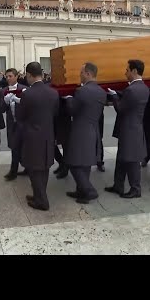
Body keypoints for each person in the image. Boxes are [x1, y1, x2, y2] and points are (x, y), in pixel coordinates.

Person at [17, 62, 59, 211]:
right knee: (44, 168)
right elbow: (55, 114)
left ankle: (42, 201)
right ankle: (38, 195)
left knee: (34, 170)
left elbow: (20, 117)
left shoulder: (27, 94)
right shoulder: (53, 93)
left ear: (29, 75)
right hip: (48, 135)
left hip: (32, 137)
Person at [63, 62, 106, 204]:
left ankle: (89, 191)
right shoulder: (101, 91)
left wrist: (69, 98)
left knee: (73, 162)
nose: (79, 76)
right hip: (93, 130)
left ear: (88, 74)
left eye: (81, 73)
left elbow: (72, 110)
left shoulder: (82, 91)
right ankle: (81, 191)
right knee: (85, 163)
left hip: (80, 130)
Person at [105, 60, 149, 198]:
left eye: (127, 70)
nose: (125, 73)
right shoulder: (144, 87)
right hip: (134, 127)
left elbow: (121, 109)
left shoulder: (131, 89)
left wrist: (113, 96)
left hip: (129, 130)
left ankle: (136, 189)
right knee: (122, 158)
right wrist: (118, 94)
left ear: (134, 71)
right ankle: (118, 185)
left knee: (131, 160)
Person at [2, 68, 28, 180]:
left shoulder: (25, 89)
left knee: (24, 147)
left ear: (16, 76)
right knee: (14, 147)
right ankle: (13, 171)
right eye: (6, 76)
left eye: (10, 76)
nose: (8, 78)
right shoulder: (4, 90)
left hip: (23, 123)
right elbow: (2, 109)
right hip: (12, 123)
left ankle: (27, 167)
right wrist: (5, 101)